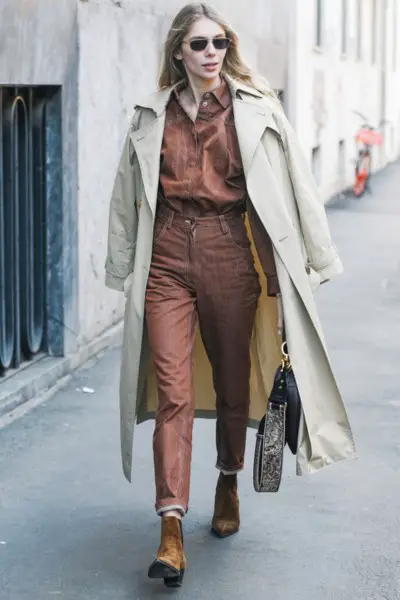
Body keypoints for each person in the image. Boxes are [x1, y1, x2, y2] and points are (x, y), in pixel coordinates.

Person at [105, 2, 355, 588]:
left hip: (229, 251)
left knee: (233, 381)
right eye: (199, 45)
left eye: (219, 42)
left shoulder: (256, 110)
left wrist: (316, 257)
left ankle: (227, 477)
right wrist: (122, 266)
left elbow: (297, 181)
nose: (212, 53)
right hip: (165, 255)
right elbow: (124, 195)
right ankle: (170, 528)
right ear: (179, 53)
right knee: (172, 389)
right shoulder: (151, 115)